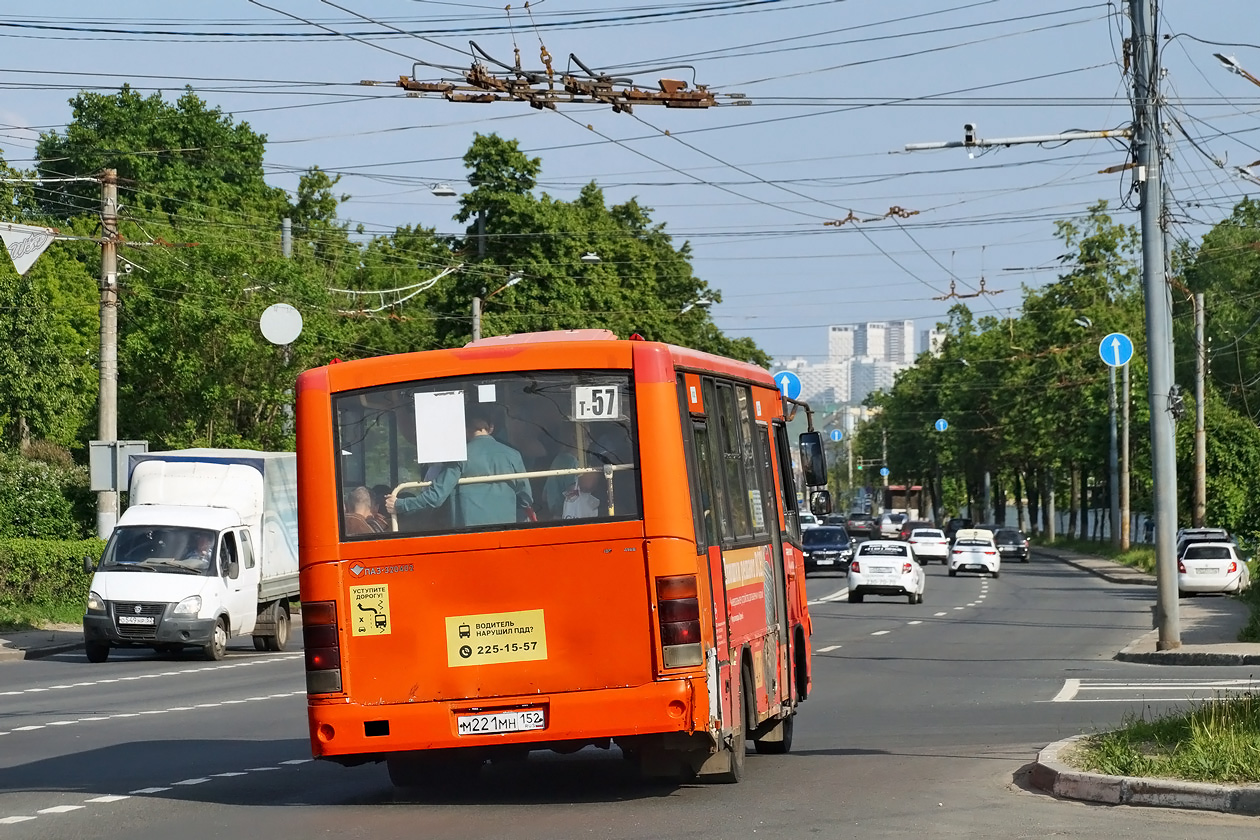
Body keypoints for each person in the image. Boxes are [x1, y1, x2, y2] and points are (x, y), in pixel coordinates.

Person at [387, 406, 532, 527]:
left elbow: (435, 497)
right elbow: (526, 498)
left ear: (463, 428)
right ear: (491, 427)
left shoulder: (459, 457)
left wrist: (400, 504)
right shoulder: (513, 455)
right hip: (507, 533)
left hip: (469, 536)